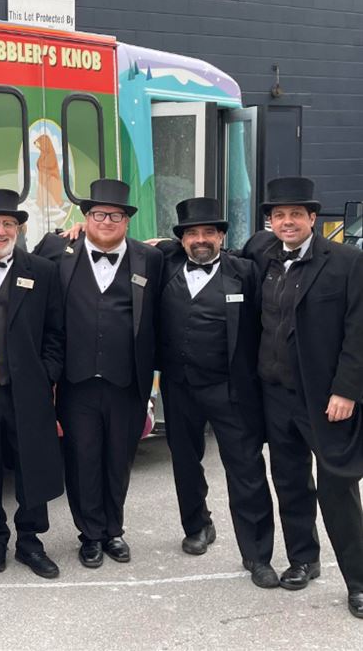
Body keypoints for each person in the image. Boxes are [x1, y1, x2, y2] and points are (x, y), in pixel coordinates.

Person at [241, 177, 363, 618]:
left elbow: (358, 330)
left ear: (313, 218)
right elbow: (209, 255)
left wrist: (347, 389)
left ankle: (359, 581)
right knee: (290, 481)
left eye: (296, 214)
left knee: (337, 488)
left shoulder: (347, 262)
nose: (287, 221)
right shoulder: (261, 253)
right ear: (270, 221)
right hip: (274, 392)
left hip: (326, 399)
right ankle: (303, 559)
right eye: (278, 215)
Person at [34, 178, 162, 568]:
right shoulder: (58, 251)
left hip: (128, 382)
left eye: (116, 215)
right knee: (82, 459)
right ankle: (90, 534)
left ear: (127, 221)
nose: (107, 221)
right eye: (98, 214)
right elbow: (20, 262)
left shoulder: (149, 259)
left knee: (118, 459)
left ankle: (114, 531)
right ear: (85, 218)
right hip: (76, 382)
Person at [154, 197, 277, 588]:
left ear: (222, 236)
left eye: (209, 232)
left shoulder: (244, 272)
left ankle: (257, 555)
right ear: (182, 240)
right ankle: (198, 525)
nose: (201, 239)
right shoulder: (167, 266)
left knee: (246, 470)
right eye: (193, 233)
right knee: (185, 462)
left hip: (230, 389)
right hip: (179, 386)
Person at [0, 189, 66, 578]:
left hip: (27, 388)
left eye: (8, 224)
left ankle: (30, 540)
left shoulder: (42, 270)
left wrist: (47, 375)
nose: (1, 230)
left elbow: (56, 331)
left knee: (31, 463)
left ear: (19, 229)